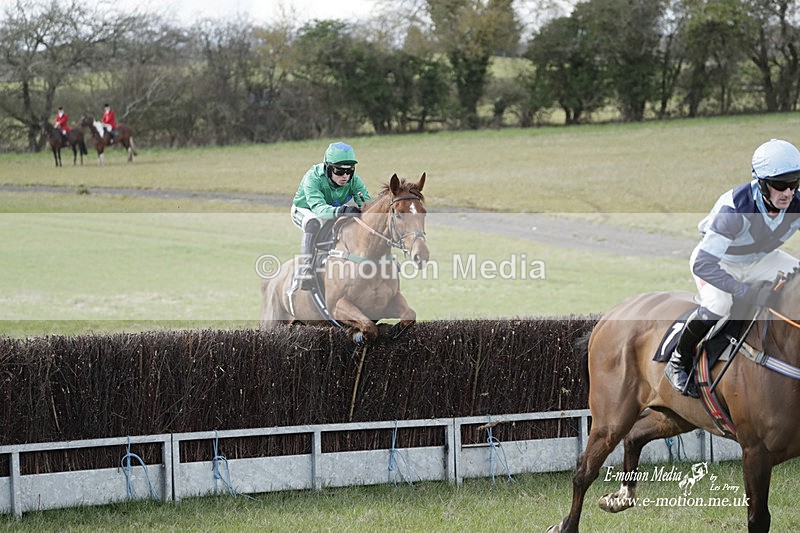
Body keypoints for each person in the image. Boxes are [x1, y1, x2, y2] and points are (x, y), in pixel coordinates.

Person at [665, 138, 800, 397]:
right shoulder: (735, 210)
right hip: (717, 262)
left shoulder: (796, 203)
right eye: (781, 185)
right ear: (761, 183)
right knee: (720, 305)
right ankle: (678, 361)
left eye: (794, 184)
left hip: (761, 259)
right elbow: (705, 264)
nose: (788, 193)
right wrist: (748, 293)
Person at [288, 141, 371, 294]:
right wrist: (343, 210)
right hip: (306, 210)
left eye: (349, 171)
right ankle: (305, 270)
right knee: (313, 223)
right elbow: (319, 209)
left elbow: (367, 203)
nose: (345, 176)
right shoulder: (313, 178)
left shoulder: (354, 180)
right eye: (339, 171)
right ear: (328, 168)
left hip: (332, 210)